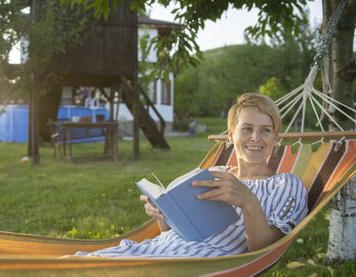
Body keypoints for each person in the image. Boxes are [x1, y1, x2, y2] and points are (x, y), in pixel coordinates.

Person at [74, 93, 308, 258]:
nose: (255, 137)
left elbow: (262, 251)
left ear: (275, 138)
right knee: (74, 264)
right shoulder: (210, 174)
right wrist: (162, 216)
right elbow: (175, 231)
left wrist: (248, 202)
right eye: (246, 128)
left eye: (265, 130)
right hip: (150, 249)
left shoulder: (285, 185)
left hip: (195, 262)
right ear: (230, 135)